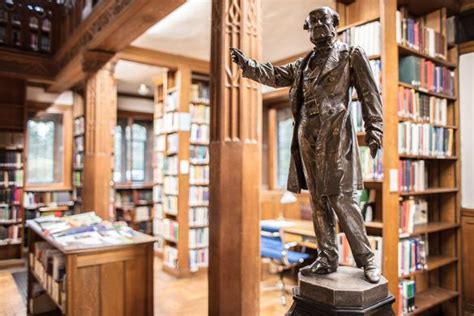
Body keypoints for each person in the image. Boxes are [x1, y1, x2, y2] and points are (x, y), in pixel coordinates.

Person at [230, 6, 383, 283]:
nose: (319, 25)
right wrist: (248, 66)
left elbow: (370, 93)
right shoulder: (303, 64)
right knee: (317, 199)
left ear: (335, 23)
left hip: (335, 134)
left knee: (341, 197)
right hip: (306, 135)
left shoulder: (351, 54)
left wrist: (375, 129)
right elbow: (275, 75)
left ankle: (367, 258)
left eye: (324, 19)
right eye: (313, 22)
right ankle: (327, 256)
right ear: (308, 30)